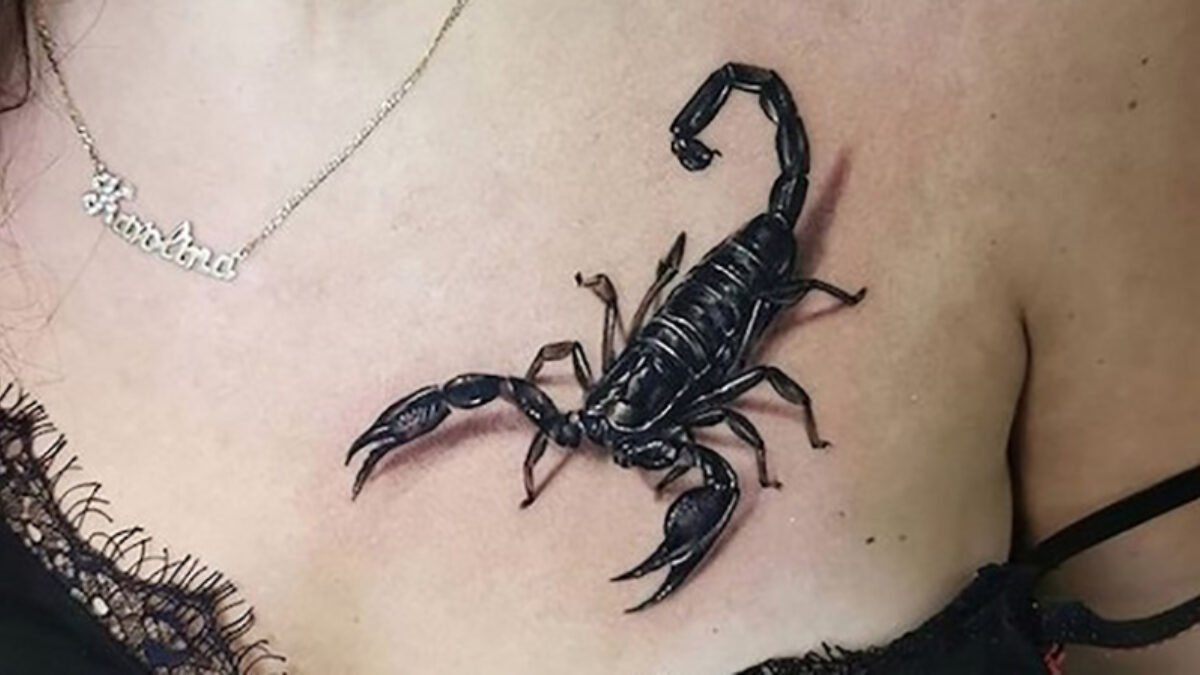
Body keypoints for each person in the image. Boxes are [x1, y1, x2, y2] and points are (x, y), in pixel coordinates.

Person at [0, 1, 1196, 673]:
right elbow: (545, 377)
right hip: (678, 332)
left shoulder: (1075, 53)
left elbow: (748, 406)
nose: (596, 448)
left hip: (732, 295)